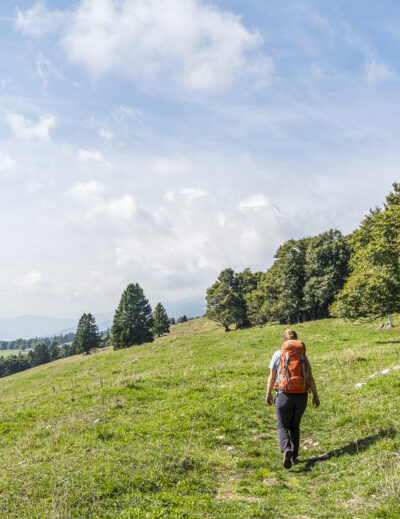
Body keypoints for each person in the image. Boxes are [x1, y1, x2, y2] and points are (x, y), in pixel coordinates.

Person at [266, 329, 320, 469]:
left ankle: (286, 450)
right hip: (302, 395)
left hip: (284, 395)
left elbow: (272, 377)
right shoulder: (302, 356)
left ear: (284, 340)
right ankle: (294, 457)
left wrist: (268, 393)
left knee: (282, 425)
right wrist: (315, 395)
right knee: (295, 426)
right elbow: (310, 377)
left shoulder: (279, 354)